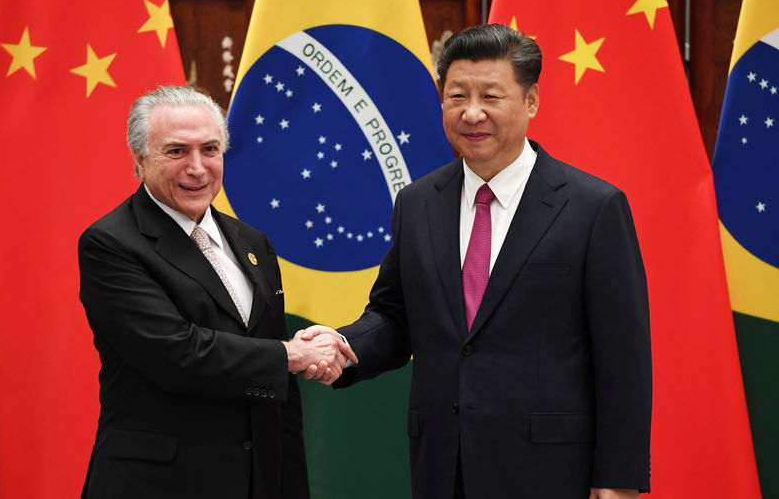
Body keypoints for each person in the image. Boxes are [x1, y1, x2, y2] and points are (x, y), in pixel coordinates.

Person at [303, 24, 652, 499]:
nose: (471, 113)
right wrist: (342, 345)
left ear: (531, 102)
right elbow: (394, 315)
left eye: (491, 96)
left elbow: (623, 358)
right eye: (456, 96)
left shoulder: (593, 207)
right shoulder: (418, 202)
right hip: (445, 466)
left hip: (551, 469)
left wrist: (617, 479)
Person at [78, 86, 355, 499]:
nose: (197, 168)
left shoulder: (252, 241)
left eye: (210, 149)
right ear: (140, 159)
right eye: (176, 151)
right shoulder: (111, 243)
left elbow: (277, 391)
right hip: (161, 483)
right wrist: (292, 354)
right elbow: (176, 354)